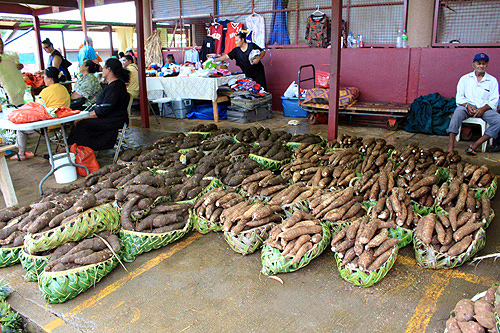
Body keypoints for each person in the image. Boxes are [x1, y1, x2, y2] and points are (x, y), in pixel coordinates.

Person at [67, 58, 130, 151]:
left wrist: (83, 117)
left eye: (104, 68)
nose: (102, 70)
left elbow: (103, 111)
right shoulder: (112, 85)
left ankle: (75, 150)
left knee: (82, 124)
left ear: (109, 69)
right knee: (79, 122)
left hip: (114, 120)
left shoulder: (115, 87)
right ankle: (70, 149)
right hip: (108, 117)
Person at [12, 67, 70, 161]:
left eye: (45, 77)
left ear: (50, 79)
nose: (44, 80)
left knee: (21, 128)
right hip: (63, 120)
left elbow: (36, 109)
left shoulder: (45, 91)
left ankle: (21, 154)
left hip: (48, 123)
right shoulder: (63, 88)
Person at [446, 53, 500, 155]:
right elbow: (459, 98)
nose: (481, 66)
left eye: (484, 63)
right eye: (479, 63)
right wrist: (467, 105)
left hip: (485, 109)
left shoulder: (492, 81)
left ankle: (475, 145)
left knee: (498, 120)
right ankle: (450, 146)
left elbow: (494, 100)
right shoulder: (465, 79)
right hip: (467, 107)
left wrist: (483, 109)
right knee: (457, 112)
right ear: (473, 65)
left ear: (487, 65)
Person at [0, 36, 26, 106]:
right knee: (13, 105)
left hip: (19, 85)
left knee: (22, 103)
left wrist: (20, 66)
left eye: (1, 44)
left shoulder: (10, 56)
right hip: (7, 89)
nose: (1, 46)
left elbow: (19, 65)